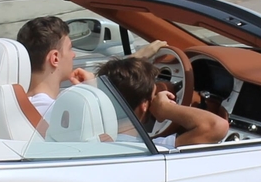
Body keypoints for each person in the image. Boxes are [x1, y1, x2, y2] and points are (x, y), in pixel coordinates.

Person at [97, 55, 229, 149]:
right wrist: (166, 109)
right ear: (144, 105)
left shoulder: (88, 138)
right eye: (154, 95)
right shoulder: (156, 148)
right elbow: (217, 126)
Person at [15, 15, 92, 132]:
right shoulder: (59, 116)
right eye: (70, 48)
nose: (74, 55)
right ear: (55, 58)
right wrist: (92, 93)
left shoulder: (17, 106)